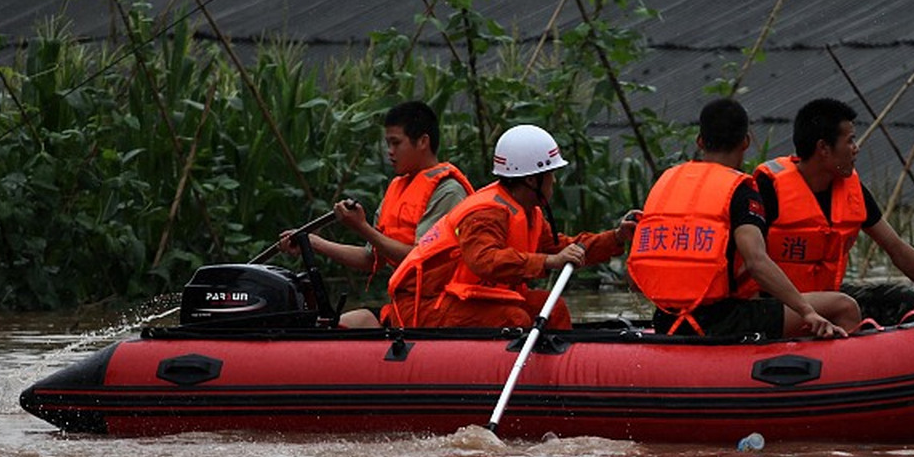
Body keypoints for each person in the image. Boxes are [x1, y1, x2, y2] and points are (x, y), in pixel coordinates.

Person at [627, 97, 854, 340]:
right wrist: (807, 312)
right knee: (844, 306)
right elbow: (756, 262)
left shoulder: (667, 182)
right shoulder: (740, 190)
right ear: (745, 142)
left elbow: (634, 278)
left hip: (665, 319)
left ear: (700, 141)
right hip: (722, 321)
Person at [381, 124, 637, 330]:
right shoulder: (486, 213)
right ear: (531, 179)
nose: (555, 181)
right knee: (513, 318)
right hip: (426, 306)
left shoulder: (528, 212)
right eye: (551, 174)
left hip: (463, 300)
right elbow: (484, 260)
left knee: (552, 306)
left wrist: (616, 237)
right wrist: (548, 261)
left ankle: (559, 376)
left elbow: (561, 248)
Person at [754, 97, 914, 325]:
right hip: (776, 303)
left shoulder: (851, 189)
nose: (856, 149)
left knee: (902, 300)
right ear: (823, 148)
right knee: (843, 305)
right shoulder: (768, 189)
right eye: (850, 141)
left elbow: (896, 247)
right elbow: (749, 260)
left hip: (828, 295)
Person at [297, 100, 472, 327]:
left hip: (436, 313)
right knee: (331, 328)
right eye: (387, 143)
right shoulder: (398, 188)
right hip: (402, 308)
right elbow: (371, 259)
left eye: (395, 143)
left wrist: (362, 228)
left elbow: (418, 260)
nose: (389, 152)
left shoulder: (448, 192)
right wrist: (311, 243)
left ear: (423, 141)